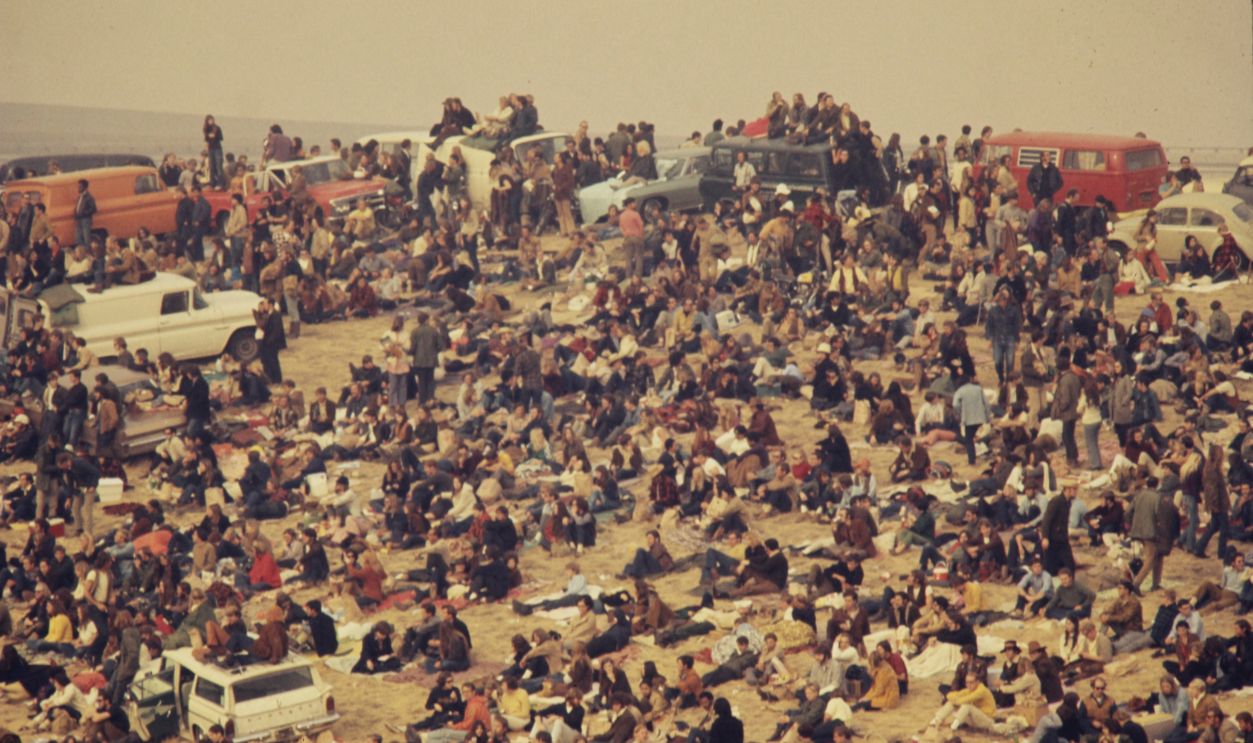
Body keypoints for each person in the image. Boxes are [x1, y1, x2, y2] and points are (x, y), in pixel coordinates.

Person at [74, 178, 96, 249]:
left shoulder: (89, 197)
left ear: (84, 187)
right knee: (78, 238)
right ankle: (82, 251)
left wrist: (83, 213)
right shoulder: (80, 197)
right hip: (79, 219)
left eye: (80, 186)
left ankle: (88, 251)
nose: (78, 188)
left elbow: (93, 209)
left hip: (85, 220)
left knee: (86, 238)